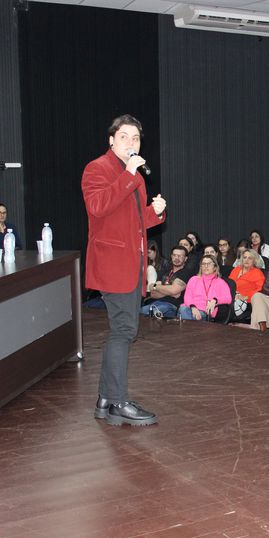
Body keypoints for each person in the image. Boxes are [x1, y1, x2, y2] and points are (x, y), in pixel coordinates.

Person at [82, 114, 166, 426]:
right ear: (111, 140)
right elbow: (98, 207)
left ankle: (106, 399)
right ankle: (117, 401)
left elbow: (132, 221)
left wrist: (155, 213)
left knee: (123, 330)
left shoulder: (134, 177)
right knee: (124, 330)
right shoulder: (97, 168)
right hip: (113, 264)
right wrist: (129, 174)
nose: (131, 143)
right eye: (125, 137)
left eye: (136, 138)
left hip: (133, 264)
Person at [141, 245, 194, 318]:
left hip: (172, 306)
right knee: (139, 312)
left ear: (185, 258)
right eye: (174, 255)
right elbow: (152, 292)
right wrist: (170, 291)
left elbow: (174, 290)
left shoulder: (186, 273)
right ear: (171, 256)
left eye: (180, 256)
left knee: (152, 314)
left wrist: (158, 287)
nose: (176, 258)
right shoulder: (165, 271)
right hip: (156, 302)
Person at [178, 255, 232, 322]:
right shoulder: (193, 279)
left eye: (209, 264)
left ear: (215, 267)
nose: (206, 266)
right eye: (203, 264)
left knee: (184, 314)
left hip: (205, 313)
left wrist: (215, 300)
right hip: (190, 308)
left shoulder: (221, 282)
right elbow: (187, 297)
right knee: (183, 309)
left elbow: (228, 298)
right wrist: (193, 307)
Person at [228, 248, 266, 319]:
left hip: (247, 302)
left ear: (254, 260)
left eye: (250, 258)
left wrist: (245, 296)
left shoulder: (257, 273)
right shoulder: (236, 269)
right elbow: (228, 284)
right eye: (245, 257)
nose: (246, 260)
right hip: (232, 298)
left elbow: (260, 290)